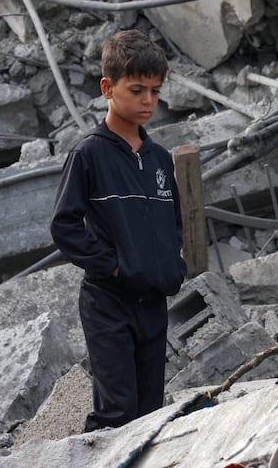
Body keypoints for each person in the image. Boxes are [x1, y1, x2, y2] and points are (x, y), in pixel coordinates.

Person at [50, 29, 187, 432]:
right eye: (137, 90)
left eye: (155, 91)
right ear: (108, 88)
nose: (148, 101)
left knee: (150, 413)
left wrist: (172, 268)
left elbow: (172, 224)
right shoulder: (89, 154)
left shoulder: (160, 160)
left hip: (153, 304)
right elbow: (64, 226)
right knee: (116, 412)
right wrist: (113, 267)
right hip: (109, 302)